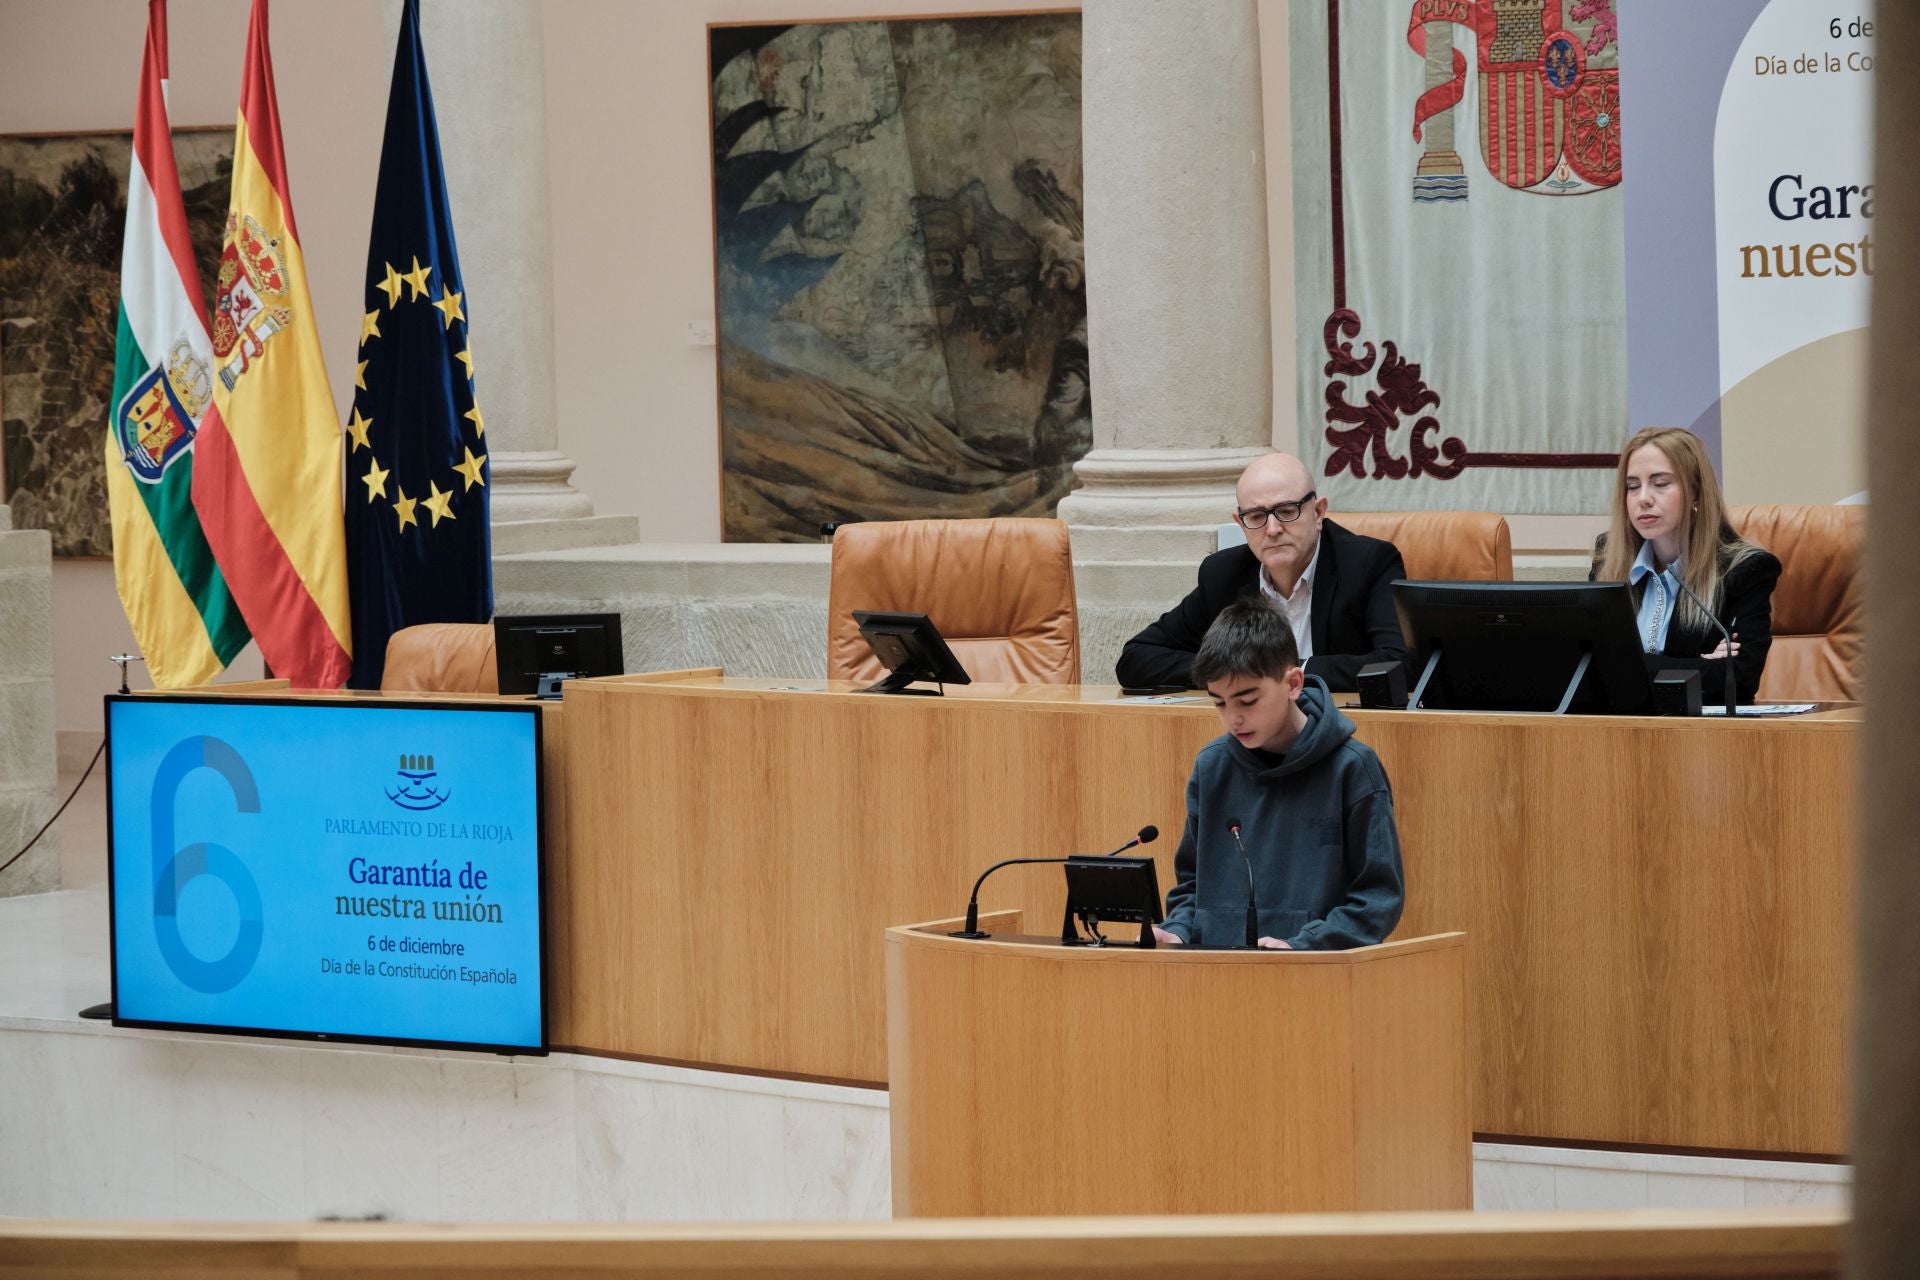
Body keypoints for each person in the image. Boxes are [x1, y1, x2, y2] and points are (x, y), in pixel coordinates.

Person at [1152, 598, 1403, 950]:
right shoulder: (1211, 767)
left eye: (1247, 700)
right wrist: (1177, 928)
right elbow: (1192, 885)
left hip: (1313, 974)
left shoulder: (1352, 768)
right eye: (1220, 702)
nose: (1233, 718)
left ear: (1293, 683)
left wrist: (1307, 945)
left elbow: (1377, 898)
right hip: (1215, 973)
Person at [1116, 452, 1407, 692]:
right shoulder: (1223, 574)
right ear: (1240, 523)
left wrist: (1285, 673)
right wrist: (1230, 672)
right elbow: (1137, 657)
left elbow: (1400, 664)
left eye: (1287, 511)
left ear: (1318, 512)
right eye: (1256, 516)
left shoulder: (1368, 563)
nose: (1272, 529)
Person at [1590, 427, 1781, 705]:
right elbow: (1587, 669)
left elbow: (1738, 679)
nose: (1643, 498)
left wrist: (1624, 664)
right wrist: (1696, 665)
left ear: (1695, 491)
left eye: (1660, 483)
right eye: (1632, 486)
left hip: (1698, 729)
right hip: (1617, 725)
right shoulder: (1609, 558)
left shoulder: (1745, 570)